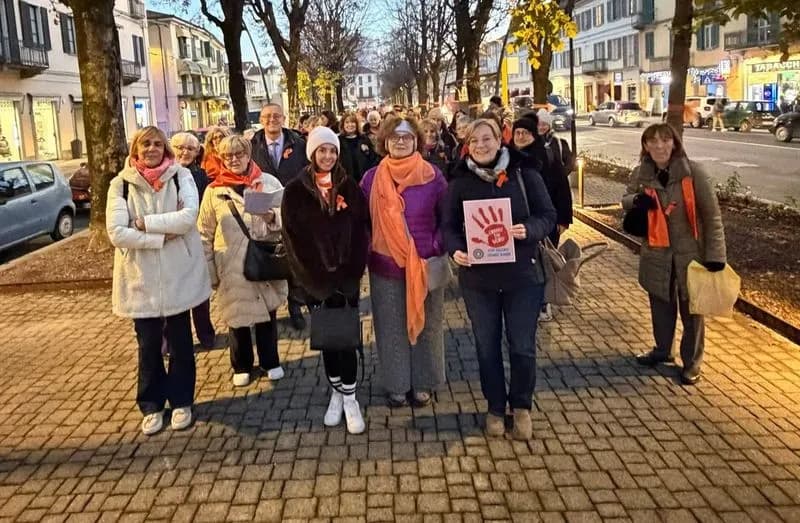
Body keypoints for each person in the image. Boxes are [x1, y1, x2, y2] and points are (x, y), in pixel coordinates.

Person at [444, 118, 556, 440]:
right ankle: (495, 406)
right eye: (474, 141)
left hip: (523, 276)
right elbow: (448, 226)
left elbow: (547, 215)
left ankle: (521, 406)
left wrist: (528, 230)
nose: (480, 145)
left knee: (522, 346)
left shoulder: (524, 173)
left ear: (499, 140)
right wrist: (456, 250)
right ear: (467, 146)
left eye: (486, 138)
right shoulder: (460, 181)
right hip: (480, 281)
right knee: (486, 348)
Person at [106, 126, 211, 435]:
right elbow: (117, 232)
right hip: (141, 277)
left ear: (165, 148)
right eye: (145, 144)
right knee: (149, 344)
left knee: (180, 342)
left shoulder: (180, 176)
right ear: (136, 149)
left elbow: (188, 217)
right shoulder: (121, 184)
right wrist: (160, 237)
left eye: (157, 144)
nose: (151, 149)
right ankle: (151, 404)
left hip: (179, 273)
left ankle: (182, 400)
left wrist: (143, 223)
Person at [281, 126, 370, 434]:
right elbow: (292, 239)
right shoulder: (295, 190)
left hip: (345, 282)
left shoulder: (349, 186)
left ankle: (350, 398)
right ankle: (336, 393)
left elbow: (362, 230)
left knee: (347, 341)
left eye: (332, 150)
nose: (328, 156)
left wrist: (351, 272)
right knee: (329, 341)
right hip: (316, 283)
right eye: (323, 150)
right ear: (313, 153)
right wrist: (314, 279)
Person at [623, 123, 726, 386]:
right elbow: (626, 198)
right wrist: (636, 201)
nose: (659, 146)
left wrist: (716, 256)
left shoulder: (694, 173)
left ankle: (692, 362)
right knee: (660, 306)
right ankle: (662, 350)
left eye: (665, 140)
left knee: (693, 313)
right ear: (645, 146)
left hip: (690, 256)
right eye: (653, 141)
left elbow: (712, 217)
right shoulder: (641, 173)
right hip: (656, 253)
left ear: (675, 143)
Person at [360, 117, 449, 408]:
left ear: (417, 142)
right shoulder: (371, 178)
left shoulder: (432, 176)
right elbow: (361, 221)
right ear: (384, 141)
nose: (401, 141)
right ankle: (397, 385)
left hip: (424, 264)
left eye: (407, 137)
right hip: (385, 266)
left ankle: (424, 382)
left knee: (428, 326)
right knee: (390, 327)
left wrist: (435, 246)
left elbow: (447, 217)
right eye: (395, 136)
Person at [198, 135, 288, 387]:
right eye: (228, 156)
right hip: (230, 261)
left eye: (239, 154)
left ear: (249, 155)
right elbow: (204, 232)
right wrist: (210, 270)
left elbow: (287, 216)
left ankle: (270, 361)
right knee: (236, 315)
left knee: (267, 312)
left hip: (264, 258)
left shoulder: (267, 182)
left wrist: (271, 217)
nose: (234, 159)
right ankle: (242, 364)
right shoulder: (214, 191)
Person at [251, 103, 309, 330]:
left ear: (284, 118)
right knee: (268, 260)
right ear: (261, 120)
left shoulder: (299, 144)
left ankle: (295, 305)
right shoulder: (252, 146)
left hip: (293, 209)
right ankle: (269, 309)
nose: (272, 120)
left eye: (276, 116)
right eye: (267, 116)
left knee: (294, 260)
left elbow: (308, 174)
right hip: (263, 212)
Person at [170, 132, 229, 350]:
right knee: (172, 292)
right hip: (169, 240)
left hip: (195, 239)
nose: (184, 152)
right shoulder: (164, 175)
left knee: (199, 291)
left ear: (197, 152)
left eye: (190, 149)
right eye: (180, 147)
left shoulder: (202, 176)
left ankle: (206, 334)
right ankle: (172, 339)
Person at [514, 114, 573, 322]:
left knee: (545, 263)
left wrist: (564, 220)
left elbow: (562, 189)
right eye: (517, 132)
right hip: (520, 223)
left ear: (534, 135)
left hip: (546, 221)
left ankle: (544, 303)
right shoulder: (508, 158)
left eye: (526, 133)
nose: (521, 136)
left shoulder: (547, 157)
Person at [338, 112, 378, 182]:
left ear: (357, 124)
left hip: (364, 179)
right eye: (347, 122)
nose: (350, 125)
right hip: (346, 181)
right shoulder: (339, 141)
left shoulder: (364, 139)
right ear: (343, 125)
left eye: (352, 122)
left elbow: (372, 157)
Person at [536, 109, 575, 175]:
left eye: (544, 124)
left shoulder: (560, 143)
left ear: (549, 126)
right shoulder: (530, 143)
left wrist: (562, 175)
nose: (541, 127)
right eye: (538, 125)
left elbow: (570, 162)